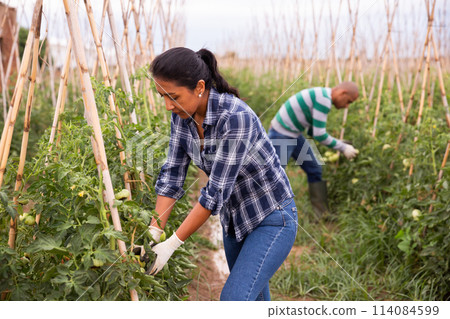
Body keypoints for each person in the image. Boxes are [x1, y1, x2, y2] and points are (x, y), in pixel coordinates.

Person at [145, 47, 298, 301]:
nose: (167, 105)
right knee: (253, 300)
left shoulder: (235, 117)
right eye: (162, 96)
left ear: (199, 87)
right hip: (234, 219)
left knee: (234, 301)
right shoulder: (181, 117)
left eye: (173, 96)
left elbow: (214, 193)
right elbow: (172, 176)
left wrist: (171, 244)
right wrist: (153, 232)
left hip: (271, 217)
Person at [267, 82, 359, 219]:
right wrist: (343, 147)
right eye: (348, 102)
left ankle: (321, 214)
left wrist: (339, 144)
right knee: (274, 176)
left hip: (295, 133)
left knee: (315, 168)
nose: (346, 106)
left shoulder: (322, 95)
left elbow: (312, 130)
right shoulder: (324, 100)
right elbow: (319, 135)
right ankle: (267, 216)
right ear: (342, 93)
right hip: (281, 133)